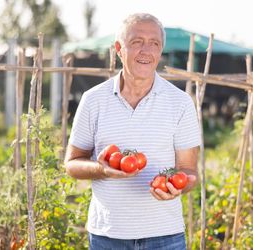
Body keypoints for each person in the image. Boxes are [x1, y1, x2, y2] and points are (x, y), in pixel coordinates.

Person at [64, 13, 200, 250]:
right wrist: (101, 169)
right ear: (119, 48)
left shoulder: (180, 103)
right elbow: (72, 164)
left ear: (160, 51)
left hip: (166, 236)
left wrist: (176, 188)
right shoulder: (93, 100)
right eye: (137, 42)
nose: (146, 51)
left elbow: (189, 172)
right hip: (108, 236)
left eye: (154, 44)